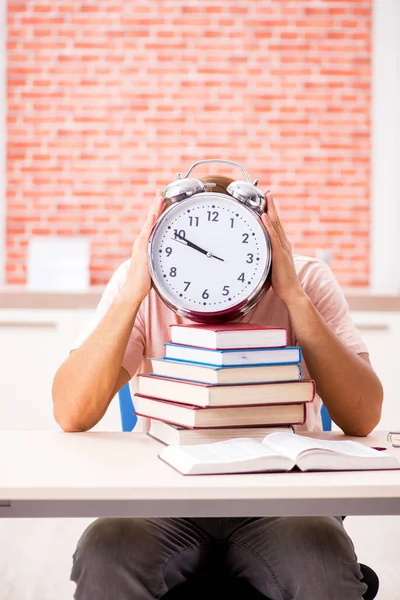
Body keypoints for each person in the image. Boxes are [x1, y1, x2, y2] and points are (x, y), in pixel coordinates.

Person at [53, 175, 383, 600]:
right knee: (106, 552)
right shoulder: (140, 284)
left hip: (281, 501)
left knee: (319, 560)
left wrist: (294, 297)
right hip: (165, 497)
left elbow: (362, 416)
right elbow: (71, 412)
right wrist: (134, 291)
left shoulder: (307, 280)